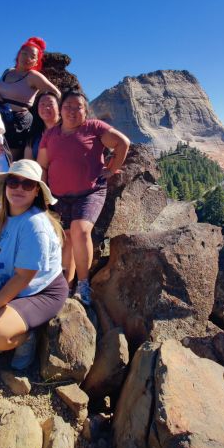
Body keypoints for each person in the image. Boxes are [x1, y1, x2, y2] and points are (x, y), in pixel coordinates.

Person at [0, 159, 68, 371]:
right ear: (5, 186)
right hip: (3, 284)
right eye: (13, 182)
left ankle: (25, 337)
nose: (19, 188)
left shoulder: (34, 225)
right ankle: (1, 325)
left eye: (28, 184)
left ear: (36, 192)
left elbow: (23, 278)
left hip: (38, 292)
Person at [37, 90, 130, 305]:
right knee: (66, 239)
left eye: (77, 107)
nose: (72, 111)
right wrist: (42, 192)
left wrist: (112, 169)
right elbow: (42, 165)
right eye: (67, 106)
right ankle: (64, 286)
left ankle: (83, 284)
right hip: (58, 196)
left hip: (90, 192)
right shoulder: (50, 135)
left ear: (85, 111)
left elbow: (122, 143)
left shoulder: (94, 127)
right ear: (61, 110)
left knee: (79, 230)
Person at [0, 37, 61, 160]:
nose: (27, 58)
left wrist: (43, 104)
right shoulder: (8, 71)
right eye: (24, 53)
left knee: (9, 159)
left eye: (32, 56)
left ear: (36, 62)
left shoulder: (33, 76)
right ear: (18, 55)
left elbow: (56, 93)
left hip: (16, 122)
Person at [23, 92, 60, 161]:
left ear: (59, 108)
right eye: (42, 104)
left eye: (50, 104)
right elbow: (28, 162)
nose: (46, 107)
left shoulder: (68, 130)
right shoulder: (34, 135)